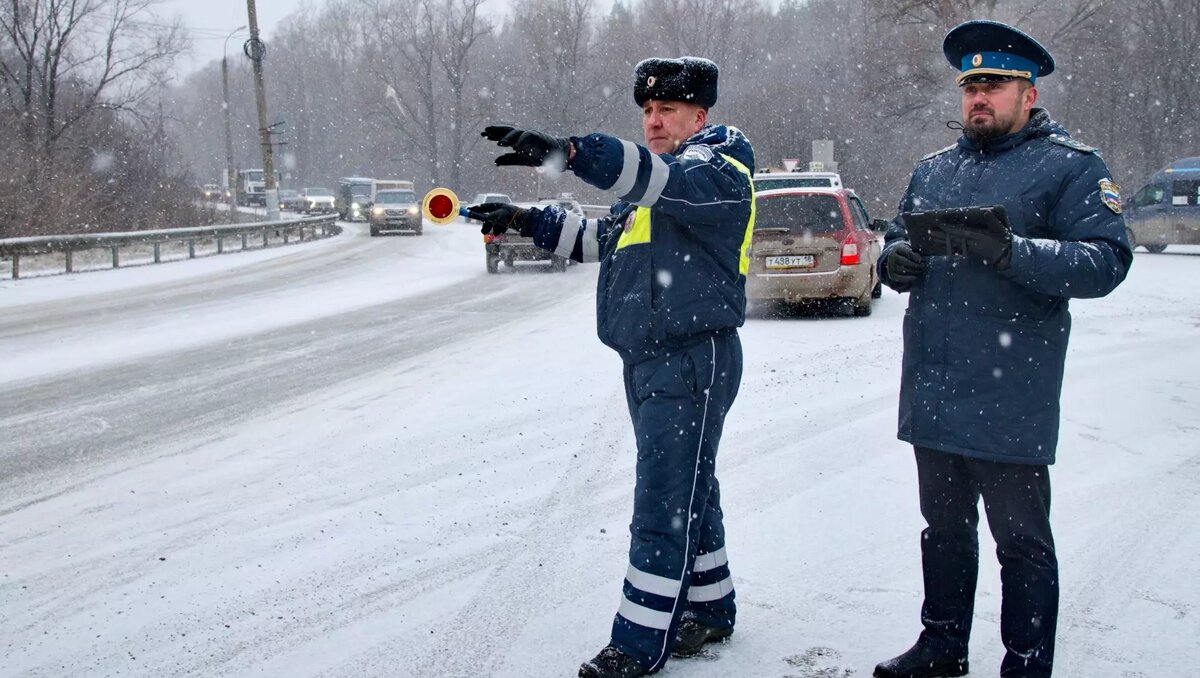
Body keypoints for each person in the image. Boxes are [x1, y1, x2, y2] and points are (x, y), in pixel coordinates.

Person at [471, 57, 755, 678]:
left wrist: (573, 153)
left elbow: (658, 177)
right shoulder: (657, 188)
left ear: (699, 116)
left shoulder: (718, 168)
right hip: (650, 358)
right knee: (690, 486)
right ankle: (710, 607)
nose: (653, 121)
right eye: (647, 111)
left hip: (691, 357)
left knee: (663, 500)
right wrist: (522, 219)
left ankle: (638, 643)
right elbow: (600, 240)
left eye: (667, 110)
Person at [873, 20, 1132, 678]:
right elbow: (898, 239)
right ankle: (942, 646)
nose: (979, 98)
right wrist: (892, 261)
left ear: (1029, 93)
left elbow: (1106, 261)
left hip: (1011, 393)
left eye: (994, 85)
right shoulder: (933, 169)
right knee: (944, 531)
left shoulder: (1071, 167)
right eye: (971, 88)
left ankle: (1026, 660)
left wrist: (1016, 253)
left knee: (1021, 541)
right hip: (934, 387)